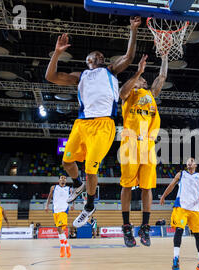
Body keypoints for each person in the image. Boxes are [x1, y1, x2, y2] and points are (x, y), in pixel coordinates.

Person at [45, 17, 142, 229]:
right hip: (82, 124)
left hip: (104, 125)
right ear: (88, 60)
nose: (99, 56)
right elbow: (50, 76)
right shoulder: (79, 77)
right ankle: (78, 186)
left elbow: (129, 56)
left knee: (91, 168)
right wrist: (57, 53)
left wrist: (133, 30)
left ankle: (89, 206)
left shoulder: (110, 70)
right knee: (67, 163)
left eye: (101, 55)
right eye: (95, 55)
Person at [118, 53, 168, 247]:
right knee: (127, 185)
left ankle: (145, 227)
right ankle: (126, 227)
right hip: (130, 142)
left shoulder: (151, 95)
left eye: (144, 79)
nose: (144, 79)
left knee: (147, 187)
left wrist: (164, 56)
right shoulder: (129, 94)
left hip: (147, 144)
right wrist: (137, 71)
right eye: (141, 78)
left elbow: (161, 77)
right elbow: (122, 92)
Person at [160, 158, 199, 270]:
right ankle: (176, 258)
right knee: (179, 230)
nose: (190, 162)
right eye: (188, 161)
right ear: (187, 165)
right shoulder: (181, 174)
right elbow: (171, 185)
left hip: (195, 209)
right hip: (181, 207)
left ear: (195, 165)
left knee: (197, 235)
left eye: (192, 161)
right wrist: (163, 196)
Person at [45, 175, 74, 258]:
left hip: (64, 210)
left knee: (60, 228)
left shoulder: (69, 189)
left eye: (65, 178)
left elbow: (72, 198)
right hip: (55, 210)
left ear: (66, 181)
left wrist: (72, 205)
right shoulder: (54, 187)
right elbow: (49, 197)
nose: (63, 179)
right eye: (62, 178)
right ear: (59, 180)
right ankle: (66, 245)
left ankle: (63, 247)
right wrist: (47, 206)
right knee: (58, 229)